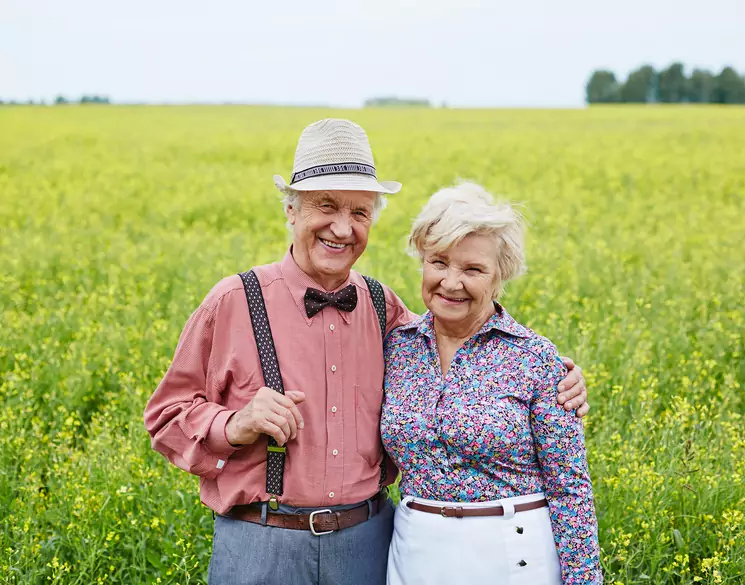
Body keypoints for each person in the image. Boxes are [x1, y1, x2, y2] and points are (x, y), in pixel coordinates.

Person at [143, 119, 590, 585]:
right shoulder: (233, 301)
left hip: (367, 545)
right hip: (261, 542)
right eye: (326, 206)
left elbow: (462, 342)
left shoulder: (386, 311)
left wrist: (557, 378)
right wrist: (235, 424)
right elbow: (165, 417)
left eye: (359, 212)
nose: (342, 227)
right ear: (291, 211)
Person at [382, 182, 602, 584]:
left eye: (473, 269)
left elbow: (570, 490)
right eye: (438, 262)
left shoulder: (535, 359)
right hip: (414, 556)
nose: (451, 282)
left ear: (501, 276)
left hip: (515, 557)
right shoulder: (396, 346)